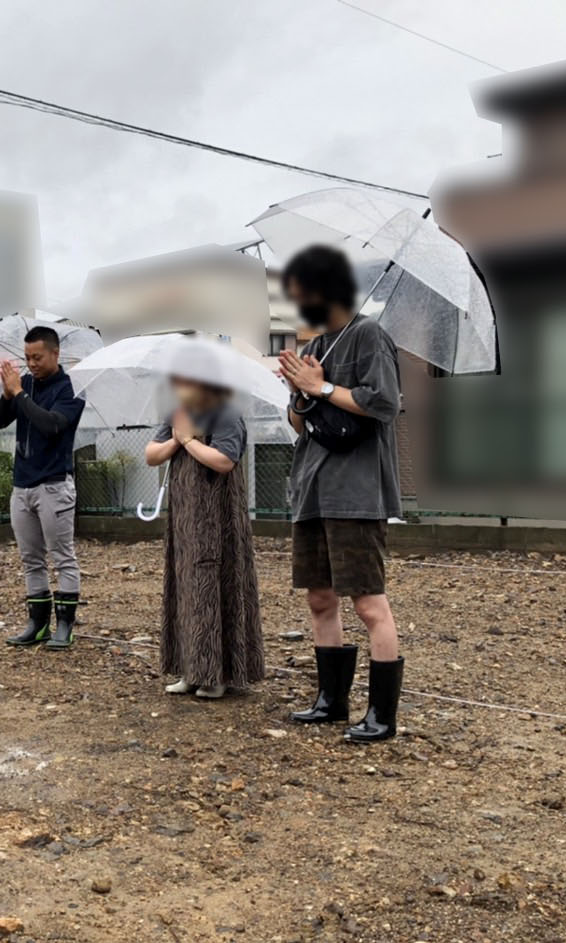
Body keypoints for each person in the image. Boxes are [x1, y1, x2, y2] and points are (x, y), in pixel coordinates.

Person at [277, 245, 404, 742]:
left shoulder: (369, 335)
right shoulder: (316, 347)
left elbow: (385, 404)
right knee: (319, 598)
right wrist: (303, 391)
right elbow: (298, 423)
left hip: (356, 492)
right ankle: (331, 701)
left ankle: (381, 716)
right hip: (313, 489)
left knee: (369, 604)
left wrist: (324, 388)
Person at [145, 378, 264, 699]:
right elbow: (151, 455)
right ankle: (190, 670)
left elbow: (225, 461)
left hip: (217, 520)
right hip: (185, 523)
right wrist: (179, 440)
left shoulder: (225, 414)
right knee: (185, 592)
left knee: (213, 588)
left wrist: (190, 442)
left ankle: (217, 675)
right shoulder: (178, 413)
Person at [0, 325, 86, 649]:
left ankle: (65, 626)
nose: (31, 364)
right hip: (23, 484)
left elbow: (50, 425)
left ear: (55, 354)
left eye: (37, 357)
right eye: (27, 357)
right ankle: (37, 623)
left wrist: (19, 394)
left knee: (62, 556)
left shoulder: (70, 390)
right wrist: (8, 395)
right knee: (30, 557)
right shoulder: (25, 384)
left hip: (54, 484)